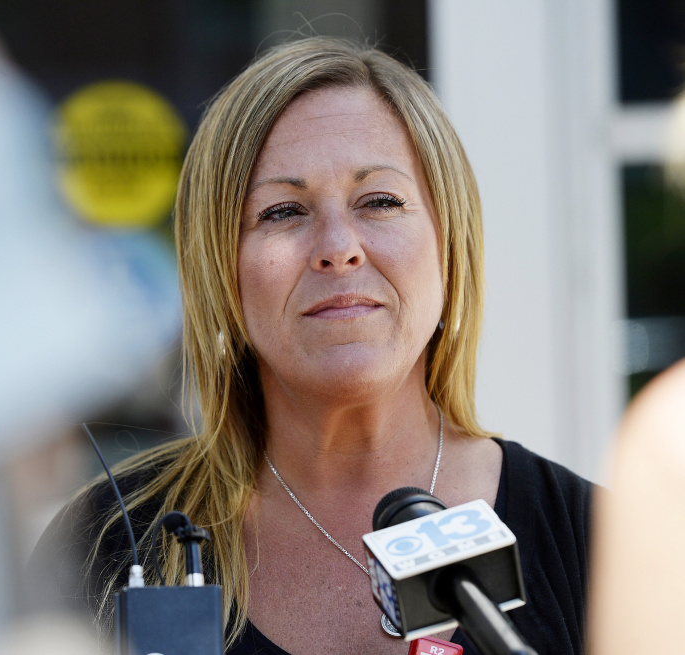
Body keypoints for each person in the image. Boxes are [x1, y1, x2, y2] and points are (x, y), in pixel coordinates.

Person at [31, 37, 593, 655]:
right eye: (283, 211)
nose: (338, 246)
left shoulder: (596, 541)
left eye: (380, 201)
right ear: (221, 268)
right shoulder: (108, 542)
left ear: (449, 245)